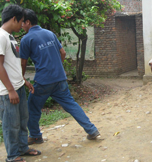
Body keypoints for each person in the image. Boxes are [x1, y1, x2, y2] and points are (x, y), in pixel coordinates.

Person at [20, 9, 100, 145]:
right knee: (71, 105)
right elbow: (62, 53)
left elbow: (23, 62)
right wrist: (57, 67)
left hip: (43, 81)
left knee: (32, 108)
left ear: (28, 22)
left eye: (22, 22)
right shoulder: (50, 34)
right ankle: (91, 130)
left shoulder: (27, 39)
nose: (21, 26)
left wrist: (22, 78)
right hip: (60, 78)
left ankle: (35, 136)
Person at [0, 5, 41, 162]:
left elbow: (12, 65)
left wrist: (24, 82)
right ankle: (12, 155)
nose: (22, 25)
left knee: (23, 120)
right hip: (7, 92)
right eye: (21, 21)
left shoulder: (9, 36)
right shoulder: (1, 36)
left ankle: (23, 148)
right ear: (14, 19)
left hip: (17, 87)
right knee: (11, 125)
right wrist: (10, 90)